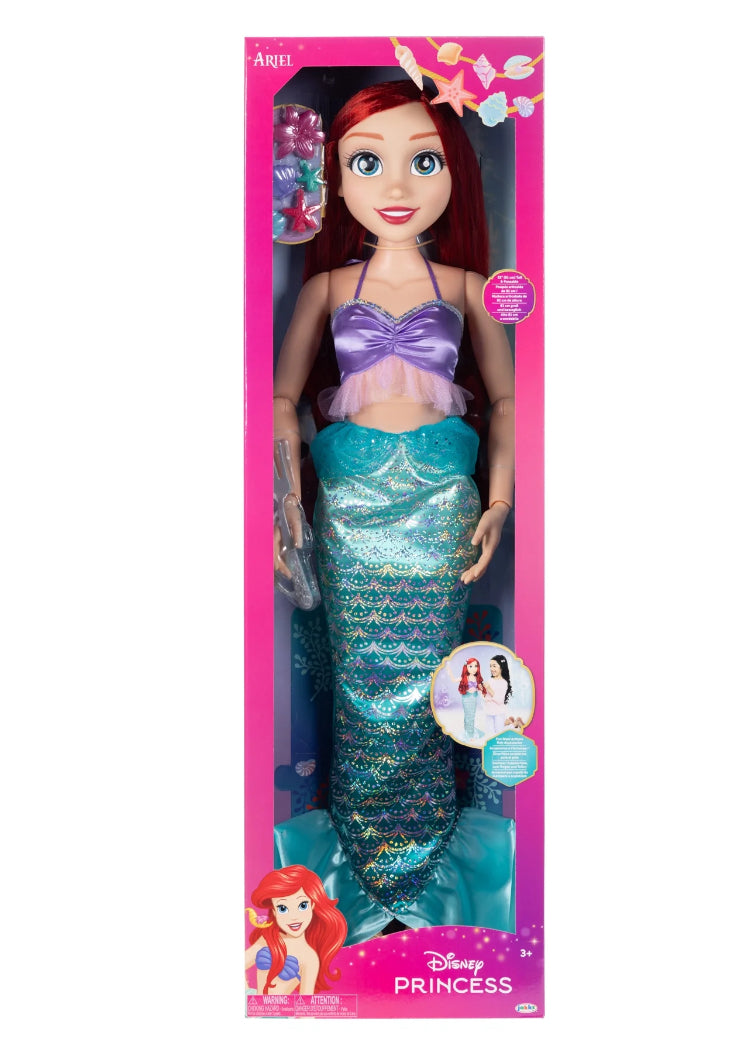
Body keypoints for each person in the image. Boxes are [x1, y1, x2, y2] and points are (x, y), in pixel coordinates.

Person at [272, 81, 516, 942]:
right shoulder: (327, 287)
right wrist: (288, 499)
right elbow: (282, 397)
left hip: (444, 503)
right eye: (368, 163)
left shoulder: (468, 285)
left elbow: (509, 402)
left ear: (456, 175)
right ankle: (358, 886)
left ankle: (430, 884)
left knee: (430, 686)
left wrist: (500, 499)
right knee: (359, 685)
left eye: (425, 161)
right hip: (349, 510)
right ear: (335, 180)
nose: (398, 183)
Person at [245, 865, 347, 995]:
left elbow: (306, 1002)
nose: (294, 917)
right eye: (282, 908)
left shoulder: (310, 958)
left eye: (302, 905)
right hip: (254, 1003)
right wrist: (246, 994)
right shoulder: (268, 938)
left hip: (280, 1008)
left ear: (312, 904)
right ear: (274, 911)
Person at [483, 653, 513, 734]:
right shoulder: (490, 680)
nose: (491, 669)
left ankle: (511, 723)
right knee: (489, 732)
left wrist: (489, 689)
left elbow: (500, 700)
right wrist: (482, 690)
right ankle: (508, 722)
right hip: (489, 711)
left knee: (499, 731)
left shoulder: (503, 682)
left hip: (499, 712)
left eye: (494, 666)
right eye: (490, 666)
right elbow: (486, 697)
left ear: (501, 667)